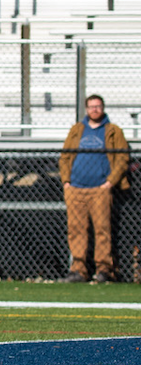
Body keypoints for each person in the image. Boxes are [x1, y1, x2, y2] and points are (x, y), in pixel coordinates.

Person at [58, 94, 129, 283]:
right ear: (86, 109)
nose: (94, 110)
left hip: (100, 188)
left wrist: (109, 183)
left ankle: (104, 270)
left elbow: (122, 158)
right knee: (76, 230)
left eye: (98, 106)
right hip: (75, 188)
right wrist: (66, 181)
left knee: (102, 230)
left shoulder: (113, 131)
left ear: (103, 108)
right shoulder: (77, 130)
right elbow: (65, 156)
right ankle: (78, 270)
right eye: (91, 107)